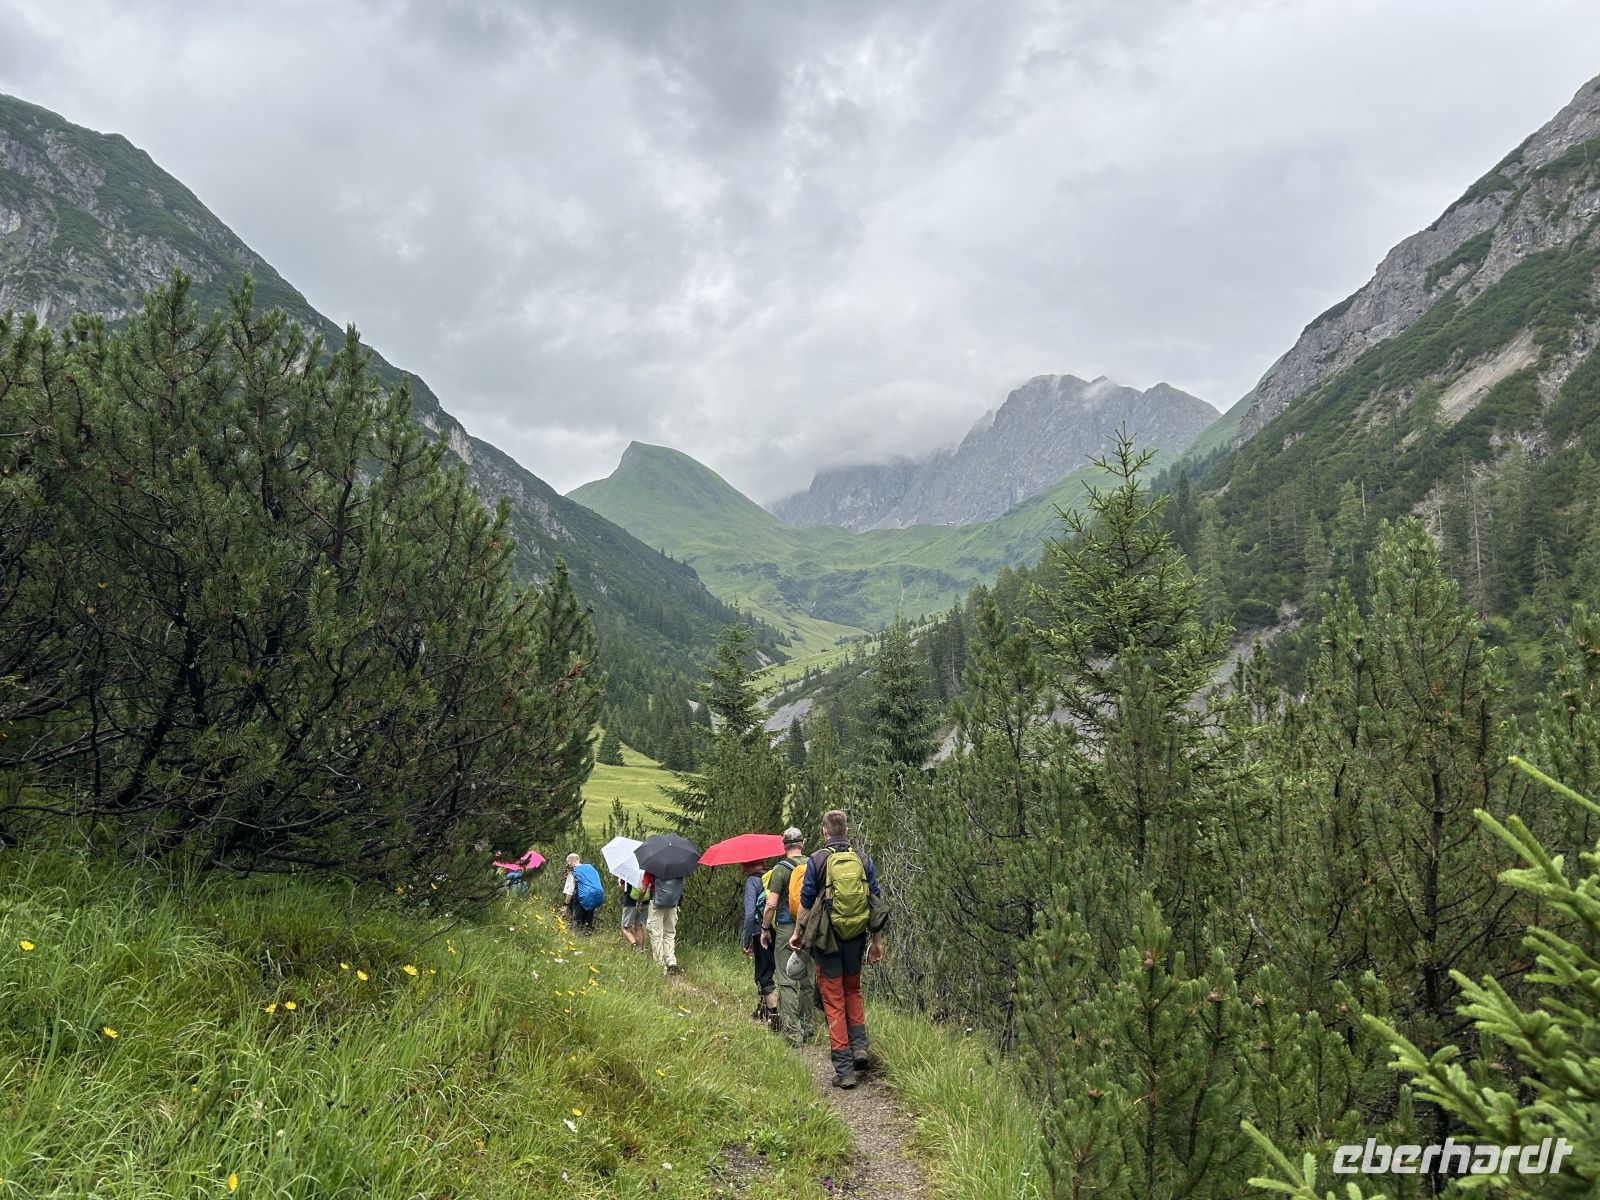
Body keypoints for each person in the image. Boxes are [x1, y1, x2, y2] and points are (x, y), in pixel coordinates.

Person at [791, 809, 883, 1089]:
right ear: (846, 830)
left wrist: (797, 933)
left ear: (824, 832)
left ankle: (844, 1070)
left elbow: (806, 902)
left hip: (827, 941)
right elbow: (876, 903)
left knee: (833, 999)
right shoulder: (863, 860)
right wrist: (877, 943)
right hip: (856, 938)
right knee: (853, 990)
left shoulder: (817, 861)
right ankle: (860, 1048)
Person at [760, 827, 816, 1047]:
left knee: (786, 979)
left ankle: (793, 1032)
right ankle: (807, 1026)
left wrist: (765, 929)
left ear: (785, 846)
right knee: (807, 979)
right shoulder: (814, 865)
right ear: (802, 844)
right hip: (809, 928)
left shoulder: (780, 870)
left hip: (785, 927)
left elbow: (771, 903)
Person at [741, 860, 778, 1029]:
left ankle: (775, 1017)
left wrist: (746, 940)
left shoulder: (752, 881)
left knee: (763, 974)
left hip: (759, 932)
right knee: (770, 968)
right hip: (778, 930)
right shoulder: (773, 876)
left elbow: (749, 915)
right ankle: (762, 1009)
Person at [642, 869, 684, 974]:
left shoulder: (652, 866)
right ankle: (671, 962)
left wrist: (639, 902)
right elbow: (682, 884)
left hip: (656, 902)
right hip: (672, 903)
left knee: (656, 934)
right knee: (670, 933)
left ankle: (660, 965)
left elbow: (643, 889)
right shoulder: (678, 866)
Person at [562, 853, 604, 934]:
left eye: (568, 864)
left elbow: (570, 892)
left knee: (578, 923)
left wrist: (565, 905)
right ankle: (587, 937)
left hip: (582, 898)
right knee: (588, 923)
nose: (568, 866)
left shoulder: (575, 872)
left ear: (570, 862)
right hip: (595, 897)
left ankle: (577, 939)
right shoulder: (591, 868)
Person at [618, 876, 647, 950]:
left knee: (625, 927)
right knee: (638, 926)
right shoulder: (645, 870)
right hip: (645, 901)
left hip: (630, 902)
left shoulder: (627, 871)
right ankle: (640, 949)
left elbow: (622, 887)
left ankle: (635, 946)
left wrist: (619, 882)